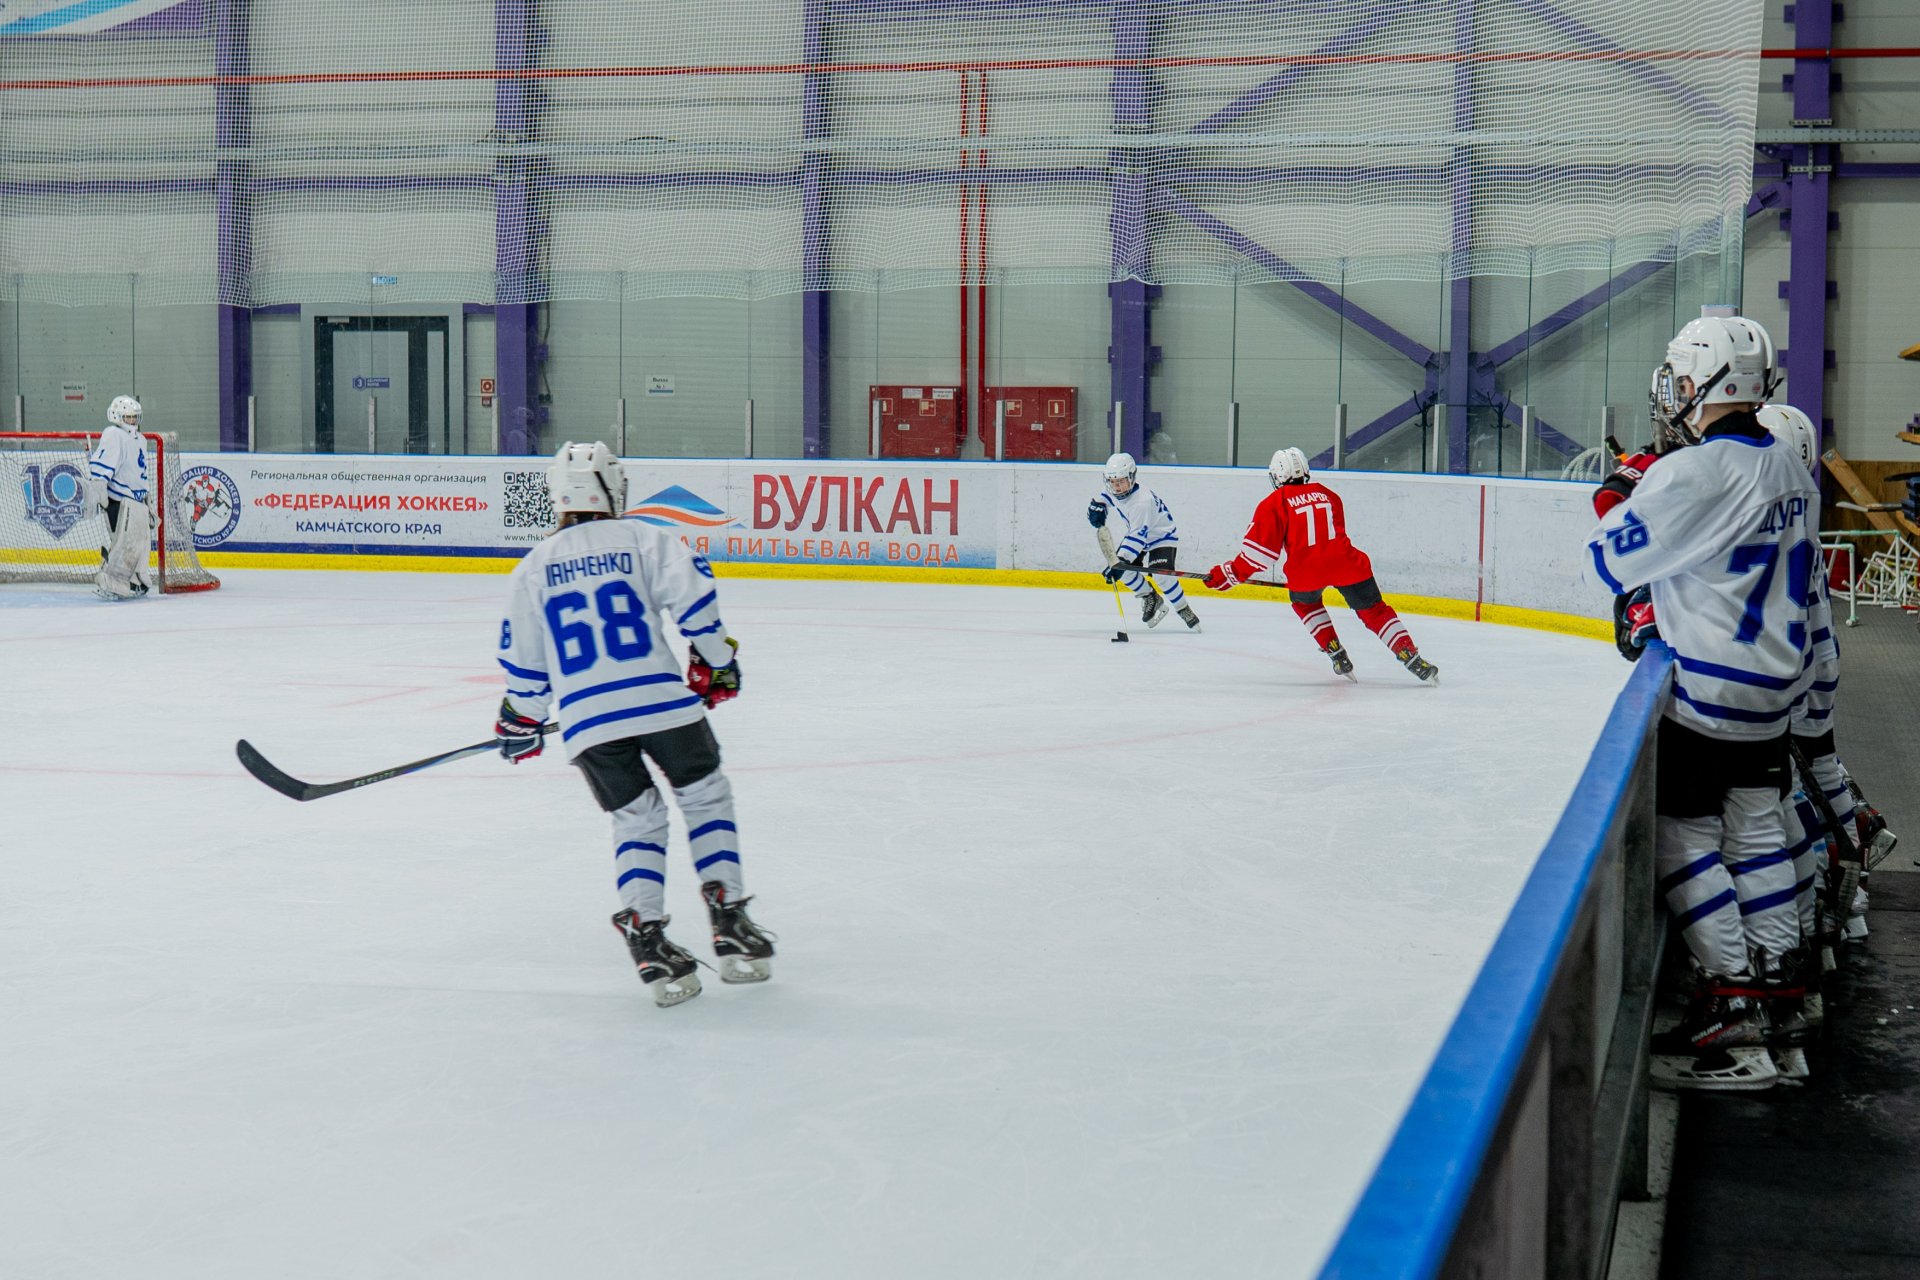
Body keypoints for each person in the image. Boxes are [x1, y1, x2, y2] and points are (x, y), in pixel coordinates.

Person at [1588, 315, 1817, 1090]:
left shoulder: (1690, 471)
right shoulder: (1789, 465)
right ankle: (1782, 999)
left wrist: (1623, 489)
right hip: (1773, 690)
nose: (1674, 390)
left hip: (1708, 691)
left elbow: (1609, 561)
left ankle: (1734, 1011)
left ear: (1701, 381)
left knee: (1683, 839)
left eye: (1681, 377)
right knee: (1757, 836)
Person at [493, 441, 774, 1008]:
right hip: (660, 701)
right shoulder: (646, 539)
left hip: (588, 721)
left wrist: (522, 718)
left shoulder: (532, 568)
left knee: (637, 820)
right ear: (613, 488)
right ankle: (728, 918)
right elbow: (697, 609)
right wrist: (718, 662)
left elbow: (526, 663)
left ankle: (647, 938)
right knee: (704, 796)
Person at [1202, 447, 1438, 684]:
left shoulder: (1274, 503)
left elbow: (1259, 556)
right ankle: (1410, 655)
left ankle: (1335, 651)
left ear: (1277, 476)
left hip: (1306, 572)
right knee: (1375, 611)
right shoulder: (1328, 494)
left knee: (1306, 604)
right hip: (1347, 563)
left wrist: (1228, 574)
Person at [1087, 451, 1200, 631]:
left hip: (1161, 536)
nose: (1117, 487)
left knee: (1161, 576)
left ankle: (1183, 608)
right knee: (1123, 570)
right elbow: (1105, 498)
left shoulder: (1141, 502)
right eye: (1113, 482)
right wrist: (1098, 507)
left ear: (1131, 477)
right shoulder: (1113, 489)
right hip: (1139, 532)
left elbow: (1137, 537)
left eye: (1121, 482)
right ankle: (1149, 597)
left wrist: (1121, 560)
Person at [89, 394, 152, 600]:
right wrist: (99, 486)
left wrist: (147, 497)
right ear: (116, 416)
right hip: (119, 500)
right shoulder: (113, 434)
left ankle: (134, 580)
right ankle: (111, 580)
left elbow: (139, 472)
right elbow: (103, 464)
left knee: (138, 544)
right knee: (121, 544)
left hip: (137, 502)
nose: (132, 421)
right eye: (128, 417)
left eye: (135, 417)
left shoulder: (141, 439)